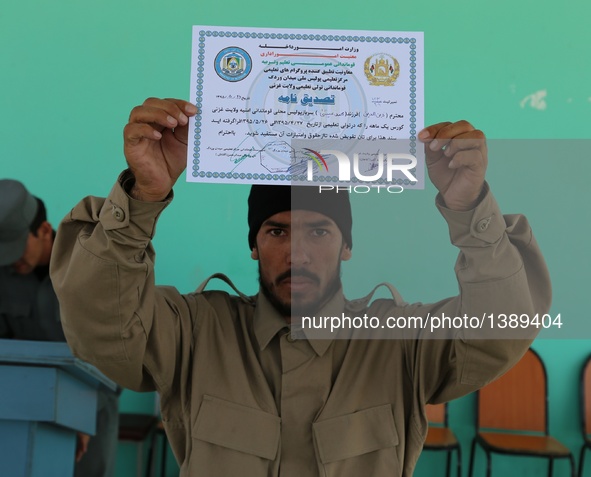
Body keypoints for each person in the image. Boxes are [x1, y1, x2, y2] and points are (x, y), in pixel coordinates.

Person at [50, 98, 550, 477]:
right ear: (253, 245)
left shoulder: (398, 341)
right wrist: (142, 198)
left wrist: (469, 209)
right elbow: (102, 329)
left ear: (346, 245)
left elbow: (501, 329)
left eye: (319, 230)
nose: (297, 252)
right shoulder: (196, 332)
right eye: (277, 231)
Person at [0, 179, 120, 477]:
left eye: (16, 247)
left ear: (43, 230)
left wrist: (81, 416)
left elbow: (116, 351)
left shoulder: (89, 267)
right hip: (19, 408)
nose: (11, 259)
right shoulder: (5, 274)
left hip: (90, 409)